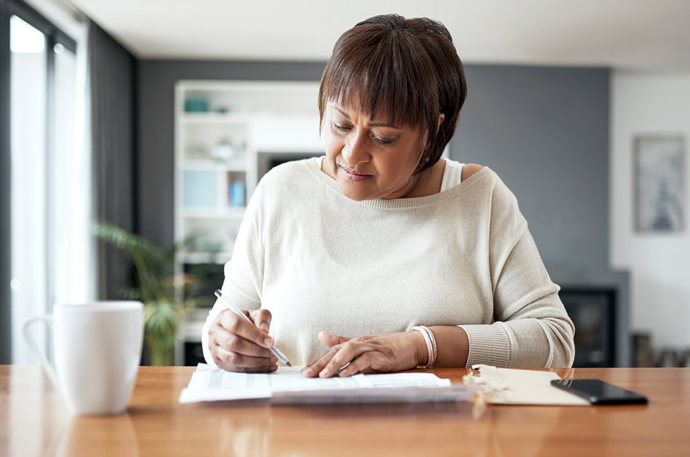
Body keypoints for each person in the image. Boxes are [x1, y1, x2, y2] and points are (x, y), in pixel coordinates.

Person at [202, 14, 575, 377]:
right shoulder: (281, 191)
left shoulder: (480, 198)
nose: (352, 153)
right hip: (298, 436)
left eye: (382, 137)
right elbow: (221, 325)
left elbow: (554, 340)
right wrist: (224, 343)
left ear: (432, 129)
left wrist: (421, 346)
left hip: (445, 439)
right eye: (340, 124)